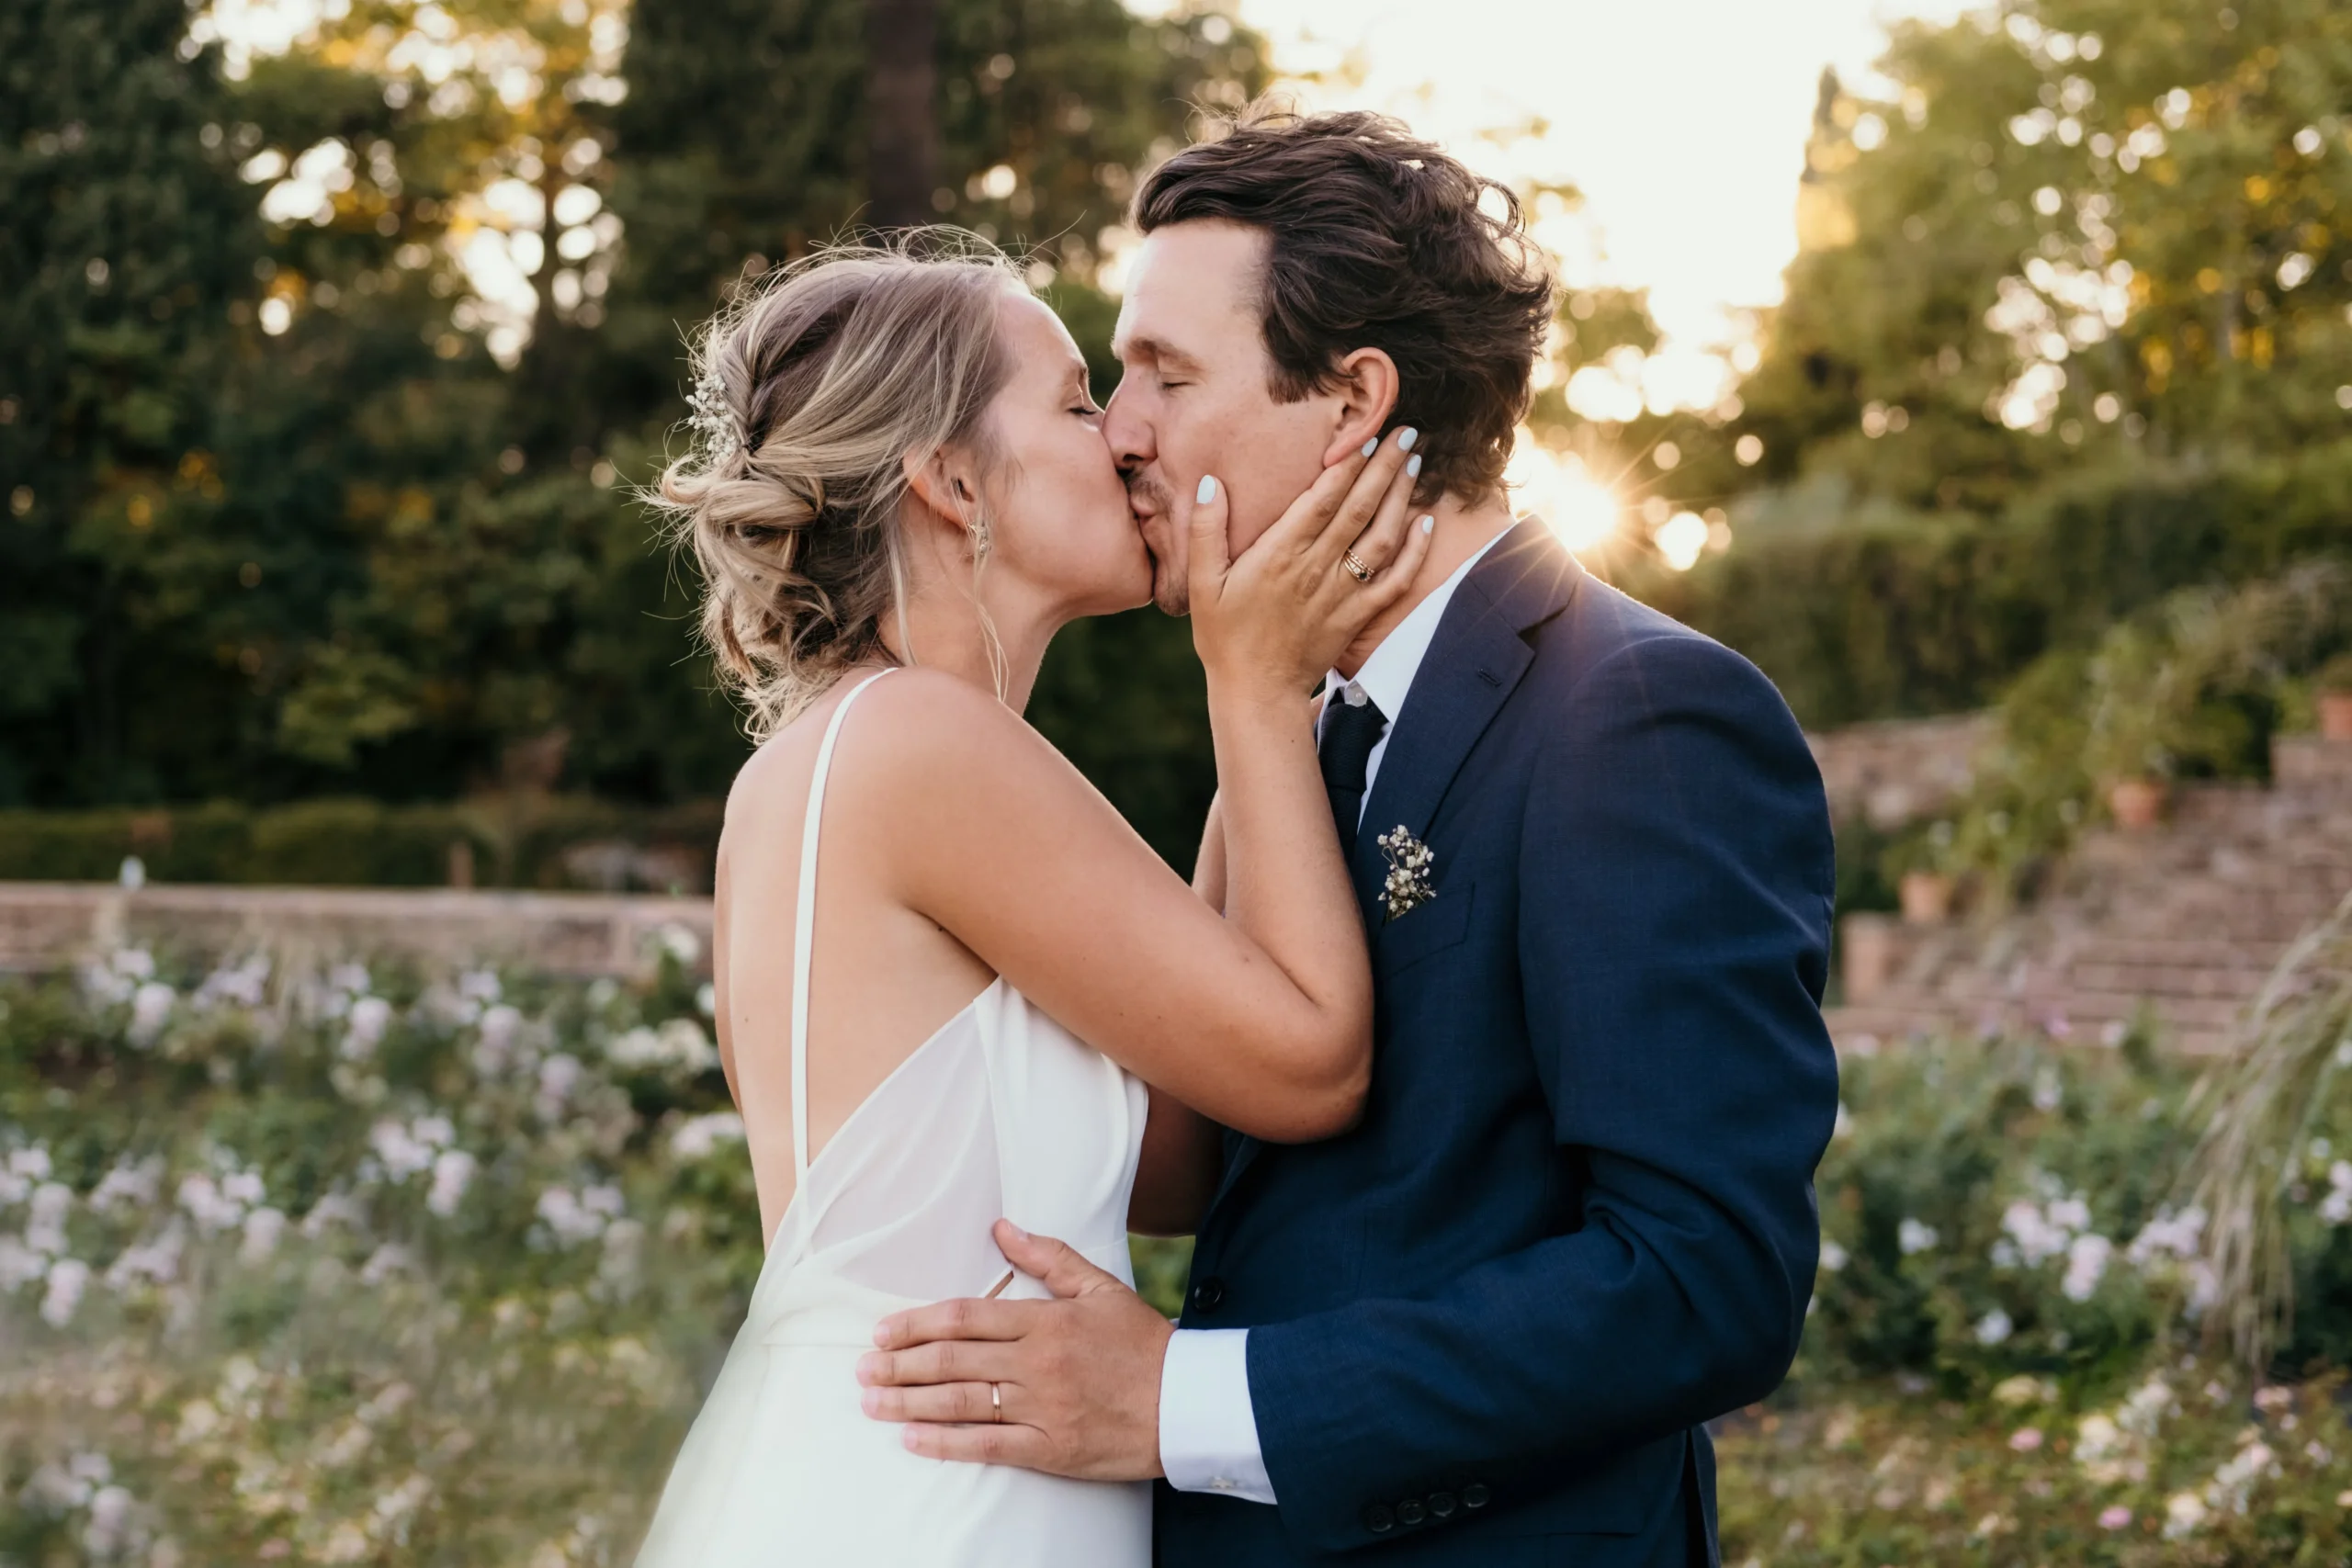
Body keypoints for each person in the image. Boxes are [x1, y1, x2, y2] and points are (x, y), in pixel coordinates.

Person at [855, 107, 1843, 1567]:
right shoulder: (1306, 722)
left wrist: (1181, 1394)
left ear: (1354, 399)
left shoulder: (1635, 711)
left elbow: (1706, 1280)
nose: (1121, 430)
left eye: (1167, 375)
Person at [625, 231, 1435, 1567]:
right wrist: (1250, 689)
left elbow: (1178, 1154)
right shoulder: (924, 745)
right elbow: (1308, 1068)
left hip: (934, 1476)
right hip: (939, 1508)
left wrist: (1262, 704)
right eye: (1072, 399)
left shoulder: (858, 749)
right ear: (950, 482)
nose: (1123, 435)